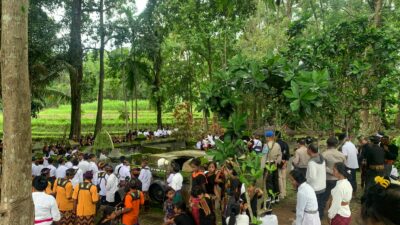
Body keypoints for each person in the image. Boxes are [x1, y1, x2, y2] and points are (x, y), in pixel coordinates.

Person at [321, 137, 346, 215]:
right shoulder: (342, 155)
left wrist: (332, 172)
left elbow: (322, 167)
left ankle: (321, 214)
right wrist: (337, 173)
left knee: (324, 197)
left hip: (328, 179)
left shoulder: (324, 154)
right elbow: (343, 166)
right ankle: (335, 214)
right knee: (337, 198)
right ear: (336, 144)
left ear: (327, 144)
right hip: (339, 179)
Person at [306, 144, 326, 219]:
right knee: (320, 204)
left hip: (314, 188)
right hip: (322, 186)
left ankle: (316, 220)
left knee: (314, 205)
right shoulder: (322, 158)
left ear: (310, 150)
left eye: (307, 148)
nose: (306, 150)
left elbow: (312, 177)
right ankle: (320, 217)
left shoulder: (312, 162)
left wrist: (306, 182)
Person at [262, 130, 282, 203]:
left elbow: (264, 156)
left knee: (268, 181)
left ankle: (271, 197)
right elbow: (280, 155)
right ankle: (276, 197)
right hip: (274, 164)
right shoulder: (277, 145)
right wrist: (277, 161)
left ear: (268, 137)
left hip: (268, 164)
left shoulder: (266, 145)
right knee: (275, 180)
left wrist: (262, 166)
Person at [276, 131, 290, 200]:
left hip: (279, 162)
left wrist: (280, 160)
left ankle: (281, 193)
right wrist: (286, 162)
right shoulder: (285, 143)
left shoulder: (276, 144)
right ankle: (285, 192)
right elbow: (288, 154)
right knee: (284, 178)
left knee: (279, 178)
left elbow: (276, 154)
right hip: (285, 162)